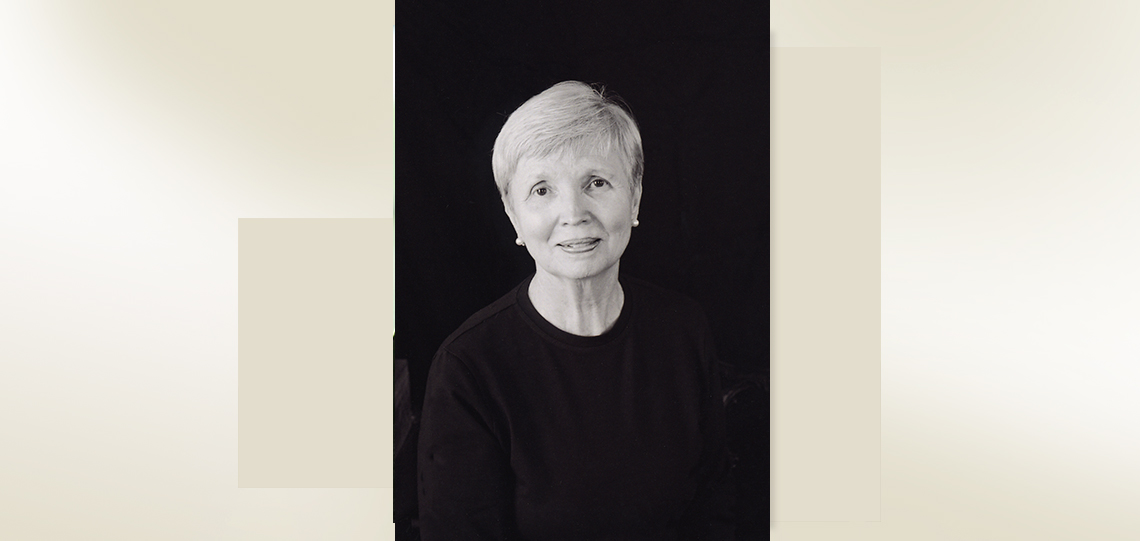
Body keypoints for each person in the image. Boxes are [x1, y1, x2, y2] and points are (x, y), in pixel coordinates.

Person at [417, 81, 734, 540]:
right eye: (542, 190)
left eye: (597, 183)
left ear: (636, 196)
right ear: (513, 215)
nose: (574, 213)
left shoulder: (683, 329)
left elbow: (715, 509)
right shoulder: (467, 369)